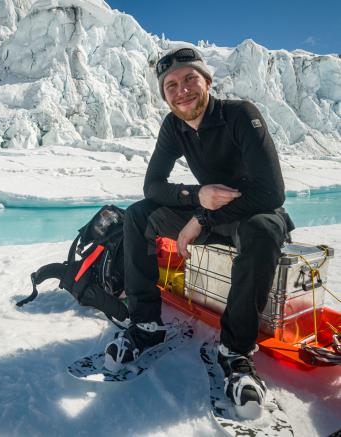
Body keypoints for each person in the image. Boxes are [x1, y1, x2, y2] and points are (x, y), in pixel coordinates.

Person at [104, 45, 293, 416]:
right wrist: (196, 195)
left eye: (190, 79)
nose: (182, 90)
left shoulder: (240, 115)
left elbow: (271, 192)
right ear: (164, 94)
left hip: (251, 212)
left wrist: (201, 219)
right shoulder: (174, 127)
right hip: (207, 207)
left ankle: (235, 352)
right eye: (171, 85)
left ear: (207, 81)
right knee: (139, 215)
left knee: (263, 228)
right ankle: (145, 324)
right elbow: (153, 186)